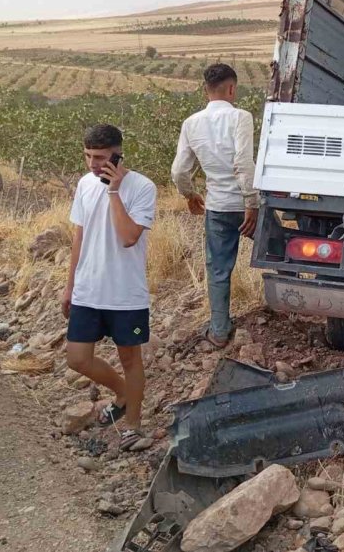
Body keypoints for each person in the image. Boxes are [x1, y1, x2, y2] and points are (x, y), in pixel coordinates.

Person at [63, 124, 157, 450]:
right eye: (88, 155)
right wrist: (69, 286)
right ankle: (121, 393)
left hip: (125, 294)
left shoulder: (142, 187)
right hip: (88, 289)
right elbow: (80, 236)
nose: (91, 163)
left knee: (131, 359)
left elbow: (129, 237)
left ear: (117, 154)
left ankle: (132, 422)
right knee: (77, 358)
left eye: (100, 157)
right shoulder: (84, 184)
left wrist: (114, 191)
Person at [171, 63, 259, 348]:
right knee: (282, 252)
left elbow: (179, 171)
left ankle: (219, 331)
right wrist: (252, 203)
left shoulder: (191, 123)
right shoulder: (241, 117)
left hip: (218, 207)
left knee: (219, 269)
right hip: (246, 207)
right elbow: (244, 164)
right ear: (232, 88)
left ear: (205, 90)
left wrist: (189, 194)